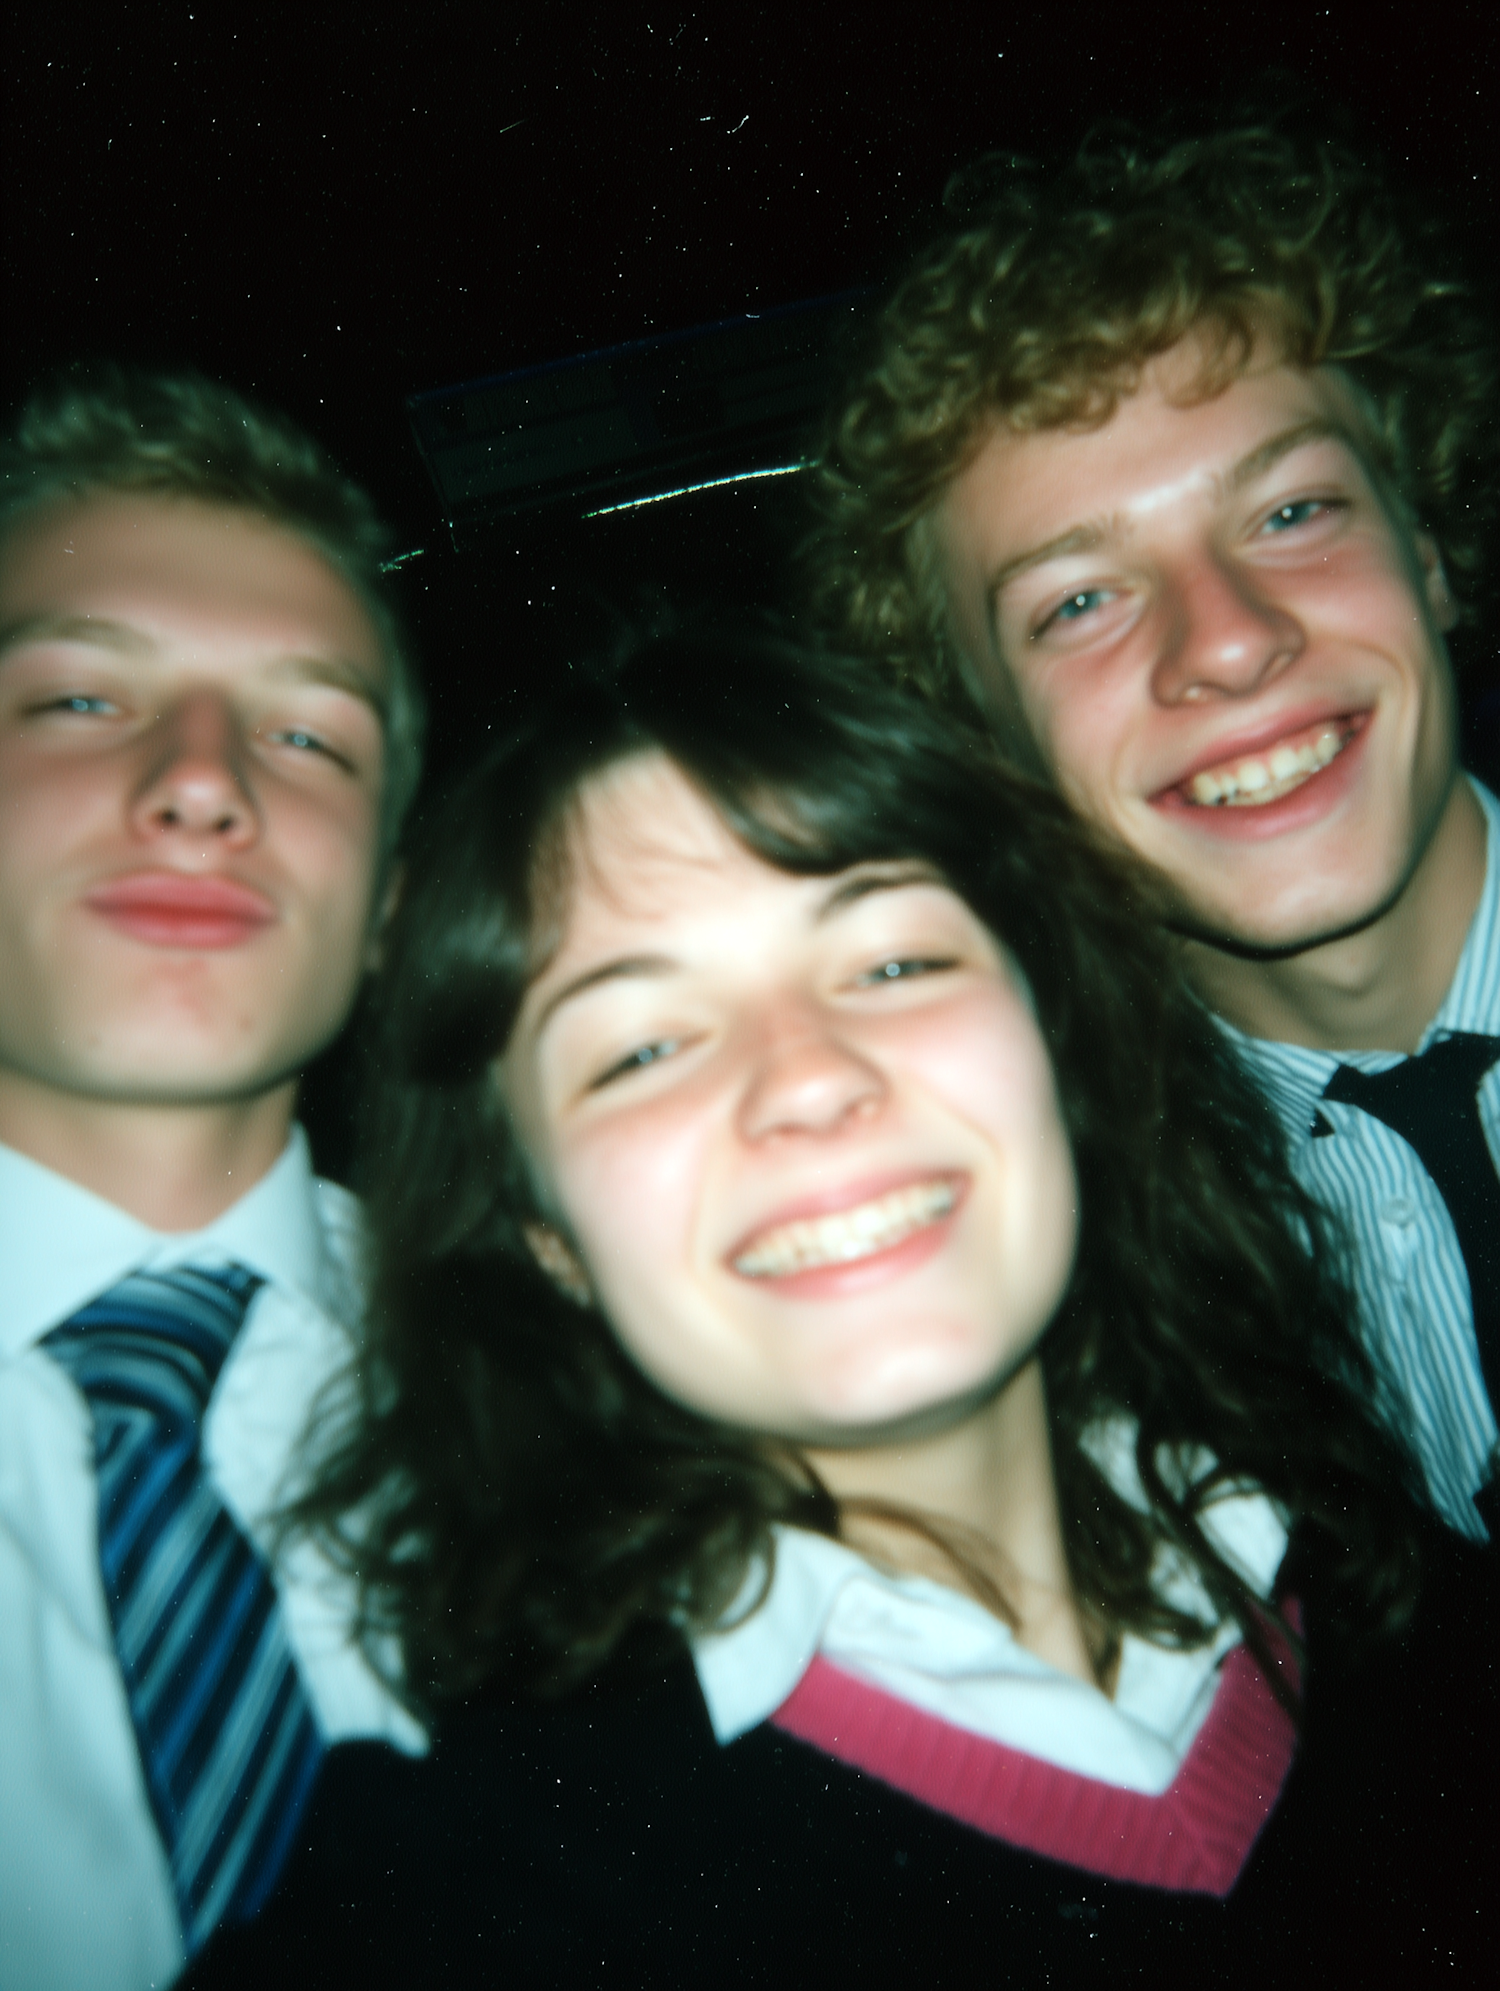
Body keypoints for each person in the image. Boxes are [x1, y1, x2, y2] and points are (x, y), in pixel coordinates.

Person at [189, 627, 1494, 1988]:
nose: (809, 1079)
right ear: (545, 1234)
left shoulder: (1400, 1600)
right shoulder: (463, 1899)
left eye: (892, 964)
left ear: (1055, 1043)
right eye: (643, 1046)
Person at [806, 120, 1500, 1541]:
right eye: (1079, 601)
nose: (1229, 641)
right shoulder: (1046, 1284)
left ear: (1426, 553)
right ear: (988, 743)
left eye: (1293, 510)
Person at [0, 368, 429, 1991]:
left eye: (308, 734)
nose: (201, 782)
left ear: (388, 904)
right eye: (76, 700)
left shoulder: (604, 1403)